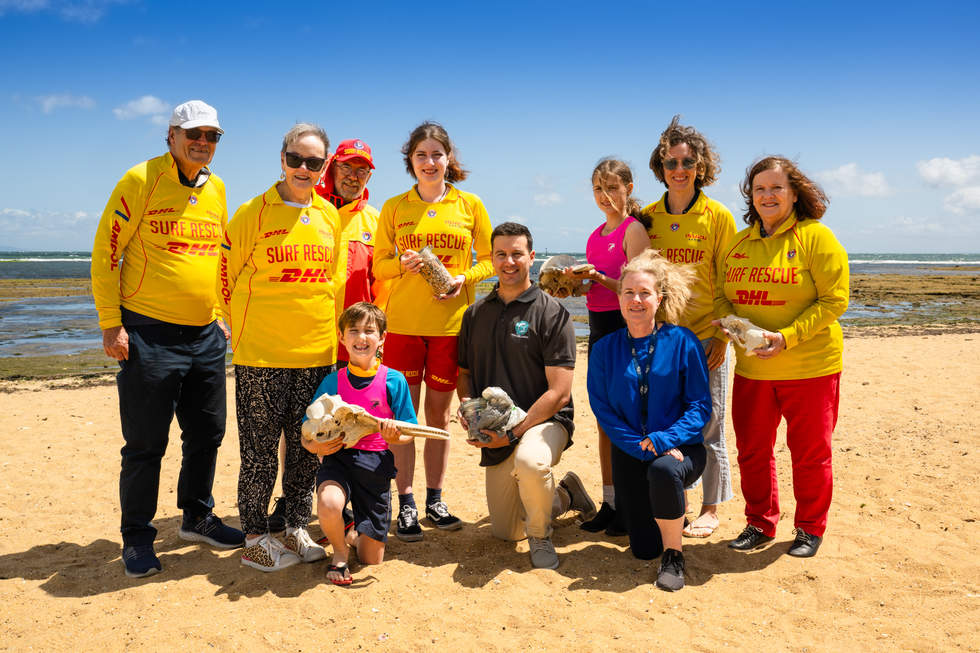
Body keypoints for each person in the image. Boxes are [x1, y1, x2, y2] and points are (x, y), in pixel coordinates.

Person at [91, 100, 244, 578]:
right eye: (194, 133)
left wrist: (221, 313)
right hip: (148, 332)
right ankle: (136, 538)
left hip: (204, 336)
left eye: (212, 136)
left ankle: (196, 516)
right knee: (145, 443)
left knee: (208, 433)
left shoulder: (217, 189)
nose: (203, 142)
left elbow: (220, 256)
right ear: (172, 135)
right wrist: (110, 323)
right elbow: (105, 254)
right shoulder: (140, 180)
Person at [217, 122, 341, 572]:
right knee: (259, 452)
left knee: (309, 447)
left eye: (314, 162)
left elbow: (336, 284)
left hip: (316, 355)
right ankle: (254, 536)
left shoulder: (330, 216)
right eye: (296, 159)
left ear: (324, 166)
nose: (304, 169)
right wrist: (226, 322)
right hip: (261, 355)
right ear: (282, 159)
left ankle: (294, 526)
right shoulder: (253, 213)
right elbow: (222, 276)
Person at [716, 156, 848, 558]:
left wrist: (787, 337)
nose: (767, 196)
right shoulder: (739, 243)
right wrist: (731, 325)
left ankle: (809, 529)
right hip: (753, 369)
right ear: (750, 196)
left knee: (809, 453)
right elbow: (721, 294)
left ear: (794, 193)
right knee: (752, 450)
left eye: (776, 188)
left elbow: (834, 301)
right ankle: (760, 521)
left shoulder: (816, 237)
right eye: (760, 189)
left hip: (810, 368)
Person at [373, 122, 493, 541]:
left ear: (449, 160)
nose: (429, 162)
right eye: (421, 155)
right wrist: (399, 265)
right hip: (403, 328)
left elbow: (492, 259)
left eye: (436, 155)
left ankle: (435, 499)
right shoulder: (394, 207)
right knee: (403, 420)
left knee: (438, 416)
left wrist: (464, 277)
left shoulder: (469, 204)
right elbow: (379, 265)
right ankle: (404, 503)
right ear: (411, 160)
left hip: (449, 327)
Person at [457, 222, 597, 570]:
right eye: (501, 254)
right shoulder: (475, 314)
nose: (509, 262)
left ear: (531, 258)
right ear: (490, 259)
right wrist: (468, 410)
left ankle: (541, 536)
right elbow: (464, 375)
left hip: (545, 423)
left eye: (516, 254)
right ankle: (566, 495)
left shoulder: (552, 312)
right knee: (506, 532)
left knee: (531, 463)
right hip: (498, 430)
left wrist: (514, 434)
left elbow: (560, 393)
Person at [263, 138, 384, 534]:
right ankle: (292, 498)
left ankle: (345, 501)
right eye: (347, 166)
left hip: (354, 346)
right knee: (305, 424)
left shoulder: (376, 222)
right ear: (331, 166)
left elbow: (380, 286)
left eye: (362, 169)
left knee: (350, 423)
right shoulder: (307, 209)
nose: (353, 175)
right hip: (309, 338)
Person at [587, 250, 711, 591]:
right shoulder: (604, 348)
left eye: (645, 293)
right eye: (629, 292)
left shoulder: (683, 341)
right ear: (619, 297)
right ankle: (670, 512)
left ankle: (674, 556)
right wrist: (642, 446)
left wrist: (662, 441)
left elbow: (700, 407)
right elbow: (603, 409)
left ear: (659, 298)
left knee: (663, 470)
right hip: (630, 451)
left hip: (680, 449)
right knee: (642, 549)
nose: (636, 300)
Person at [644, 116, 737, 538]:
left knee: (711, 423)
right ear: (660, 167)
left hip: (707, 337)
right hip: (664, 340)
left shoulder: (717, 216)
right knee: (668, 421)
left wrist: (722, 335)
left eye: (686, 163)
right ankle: (674, 500)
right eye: (670, 163)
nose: (678, 170)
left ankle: (711, 508)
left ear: (700, 168)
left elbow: (730, 278)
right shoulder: (647, 218)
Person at [304, 303, 416, 586]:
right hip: (339, 460)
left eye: (369, 331)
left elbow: (409, 431)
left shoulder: (394, 380)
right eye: (353, 331)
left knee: (371, 558)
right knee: (329, 503)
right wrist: (315, 448)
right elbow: (307, 433)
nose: (361, 338)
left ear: (382, 338)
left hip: (376, 465)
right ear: (342, 338)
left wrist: (395, 437)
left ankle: (351, 530)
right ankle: (340, 552)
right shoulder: (333, 382)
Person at [569, 158, 650, 536]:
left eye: (613, 188)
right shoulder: (595, 235)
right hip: (599, 328)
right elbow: (593, 290)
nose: (606, 196)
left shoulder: (634, 231)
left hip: (629, 329)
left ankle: (636, 503)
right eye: (599, 189)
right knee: (604, 419)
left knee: (632, 417)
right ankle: (610, 501)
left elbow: (638, 291)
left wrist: (600, 277)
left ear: (629, 189)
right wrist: (573, 284)